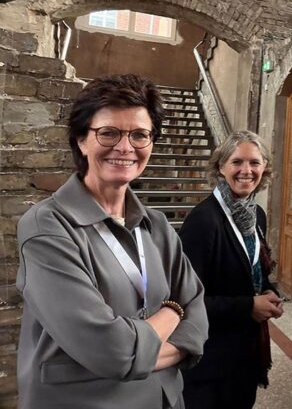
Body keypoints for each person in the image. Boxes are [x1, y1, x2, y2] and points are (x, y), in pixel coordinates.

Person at [16, 74, 208, 409]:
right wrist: (174, 311)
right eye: (109, 133)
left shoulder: (158, 225)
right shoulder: (47, 227)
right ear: (81, 140)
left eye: (139, 135)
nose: (125, 147)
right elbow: (114, 353)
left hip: (164, 399)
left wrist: (148, 341)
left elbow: (199, 319)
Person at [179, 131, 283, 409]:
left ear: (265, 168)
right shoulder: (204, 221)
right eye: (237, 162)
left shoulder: (254, 213)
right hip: (210, 360)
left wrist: (268, 291)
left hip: (245, 352)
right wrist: (248, 306)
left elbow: (253, 271)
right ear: (221, 167)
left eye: (255, 162)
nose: (246, 170)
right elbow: (185, 302)